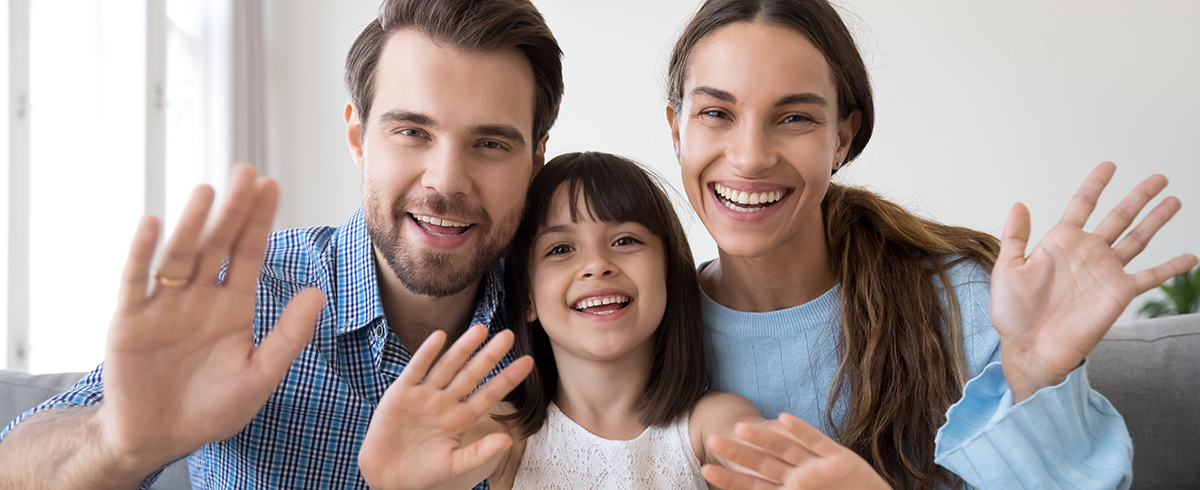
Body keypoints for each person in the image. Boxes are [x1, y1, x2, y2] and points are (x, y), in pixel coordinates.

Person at [0, 0, 563, 488]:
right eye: (412, 132)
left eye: (490, 143)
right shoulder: (242, 294)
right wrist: (118, 441)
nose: (446, 181)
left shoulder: (569, 327)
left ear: (535, 161)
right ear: (358, 139)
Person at [662, 1, 1199, 489]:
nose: (751, 156)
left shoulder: (965, 300)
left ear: (841, 140)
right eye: (717, 113)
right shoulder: (642, 325)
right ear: (677, 130)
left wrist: (1033, 379)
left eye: (795, 117)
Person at [356, 151, 891, 490]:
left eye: (626, 241)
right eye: (561, 249)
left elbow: (763, 465)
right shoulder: (505, 431)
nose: (597, 264)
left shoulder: (712, 423)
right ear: (526, 300)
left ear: (670, 273)